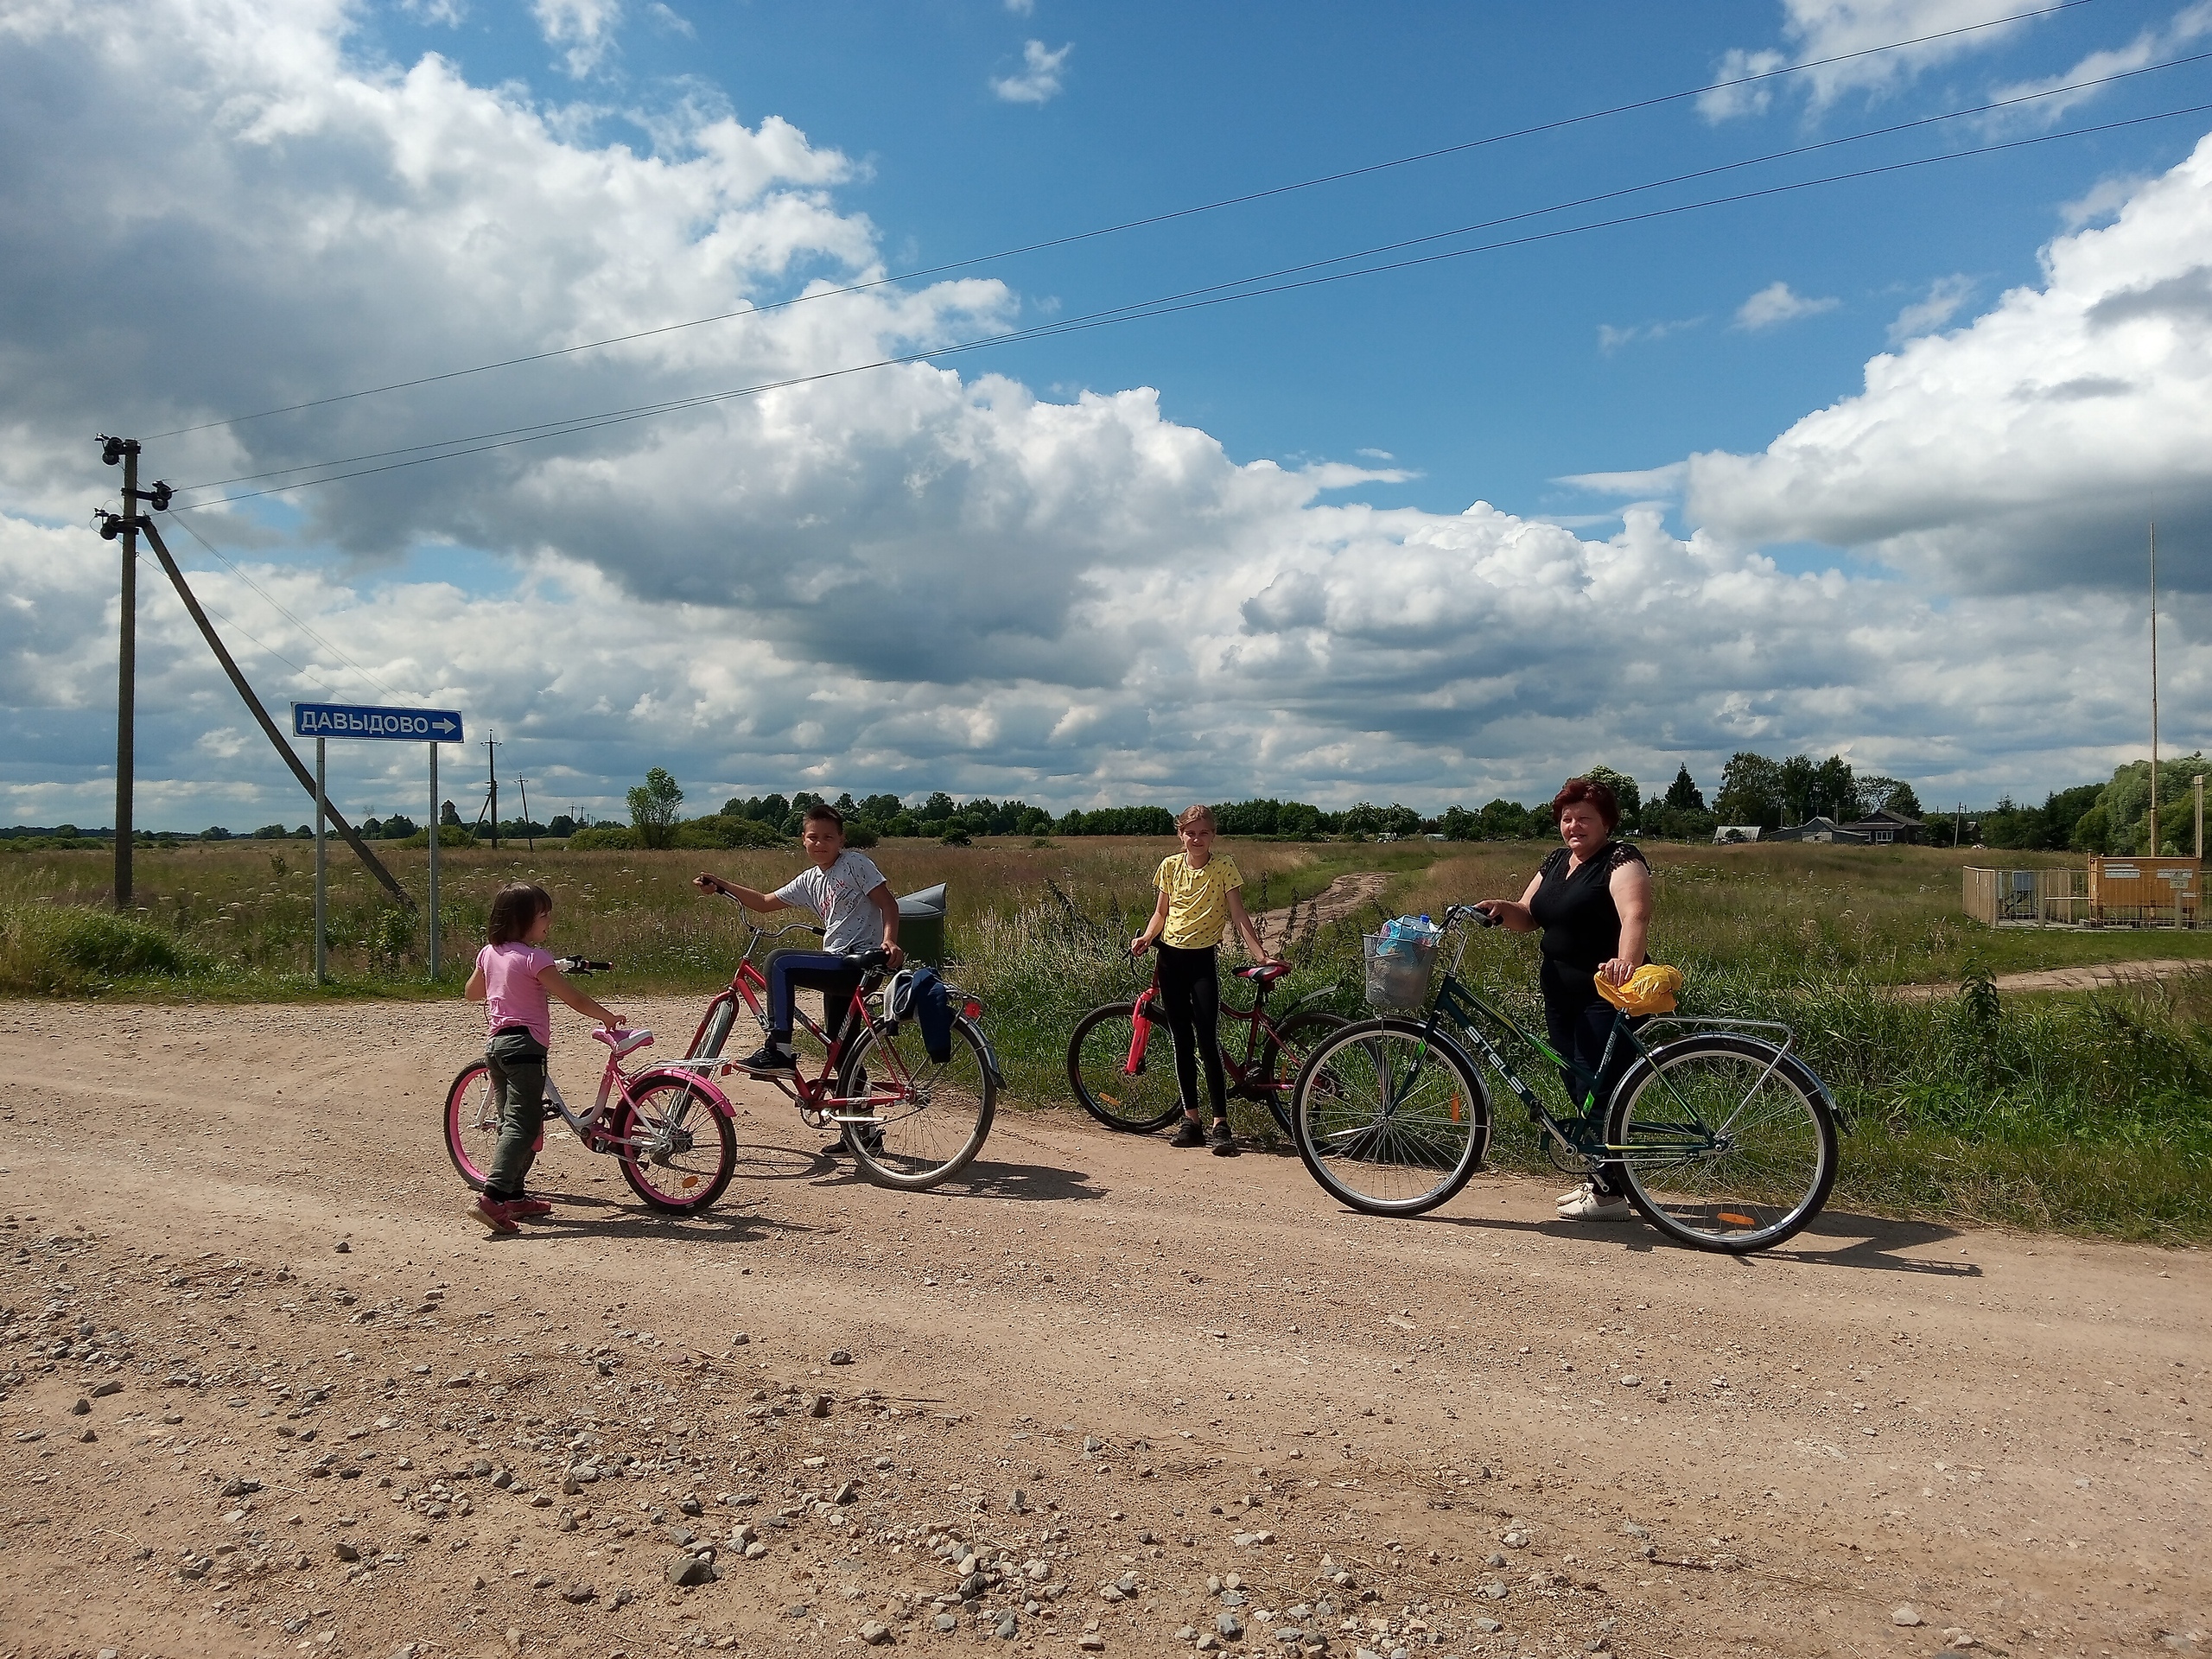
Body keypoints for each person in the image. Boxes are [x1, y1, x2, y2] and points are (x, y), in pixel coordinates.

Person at [1475, 777, 1652, 1222]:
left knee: (1600, 1085)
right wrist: (1500, 907)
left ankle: (1611, 1194)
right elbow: (1529, 915)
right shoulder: (1556, 861)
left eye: (1584, 819)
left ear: (1606, 823)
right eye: (1567, 818)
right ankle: (1602, 1180)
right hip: (1559, 992)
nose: (1574, 826)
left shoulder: (1620, 859)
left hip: (1604, 993)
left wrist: (1625, 966)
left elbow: (1635, 914)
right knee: (1578, 1085)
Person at [692, 802, 902, 1076]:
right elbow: (765, 902)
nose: (820, 843)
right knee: (841, 1053)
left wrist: (890, 940)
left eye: (828, 837)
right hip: (838, 964)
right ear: (803, 840)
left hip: (857, 964)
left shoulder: (854, 864)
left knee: (779, 962)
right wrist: (721, 885)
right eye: (813, 837)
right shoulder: (810, 879)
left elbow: (889, 904)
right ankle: (857, 1114)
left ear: (842, 839)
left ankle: (779, 1050)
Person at [462, 881, 624, 1235]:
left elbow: (472, 993)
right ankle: (493, 1198)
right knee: (522, 1124)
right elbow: (574, 998)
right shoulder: (536, 959)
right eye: (544, 915)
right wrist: (607, 1017)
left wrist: (497, 977)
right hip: (526, 1049)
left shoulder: (489, 953)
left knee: (516, 1120)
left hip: (497, 1048)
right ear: (523, 921)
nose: (550, 920)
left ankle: (516, 1196)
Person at [1129, 804, 1285, 1156]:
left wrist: (1260, 955)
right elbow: (1160, 912)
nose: (1196, 838)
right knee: (1181, 1043)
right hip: (1169, 959)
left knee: (1208, 1043)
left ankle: (1220, 1124)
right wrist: (1147, 938)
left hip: (1202, 961)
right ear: (1180, 834)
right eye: (1190, 832)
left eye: (1203, 832)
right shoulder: (1169, 866)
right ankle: (1191, 1121)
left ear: (1213, 835)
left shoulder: (1224, 867)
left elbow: (1238, 913)